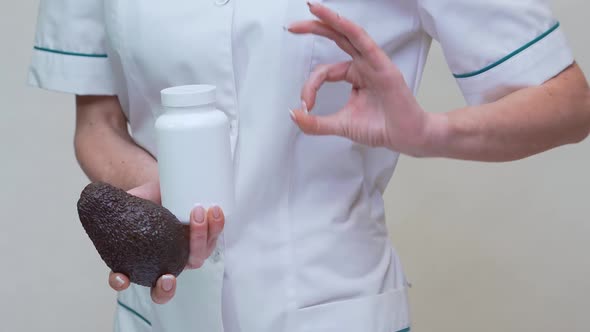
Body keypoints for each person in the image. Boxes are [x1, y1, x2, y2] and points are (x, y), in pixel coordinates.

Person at [29, 0, 590, 331]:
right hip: (159, 311)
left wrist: (425, 132)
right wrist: (148, 193)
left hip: (330, 306)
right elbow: (97, 122)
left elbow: (568, 103)